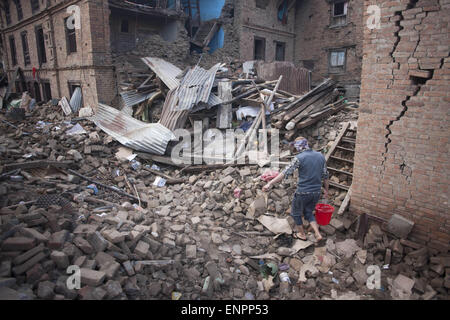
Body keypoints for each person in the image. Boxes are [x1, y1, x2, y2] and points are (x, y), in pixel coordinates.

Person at [262, 137, 329, 242]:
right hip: (316, 192)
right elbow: (325, 175)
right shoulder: (320, 156)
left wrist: (269, 183)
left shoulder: (299, 158)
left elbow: (285, 173)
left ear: (299, 146)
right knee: (308, 212)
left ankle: (302, 234)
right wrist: (326, 190)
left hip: (303, 192)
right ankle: (317, 233)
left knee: (295, 213)